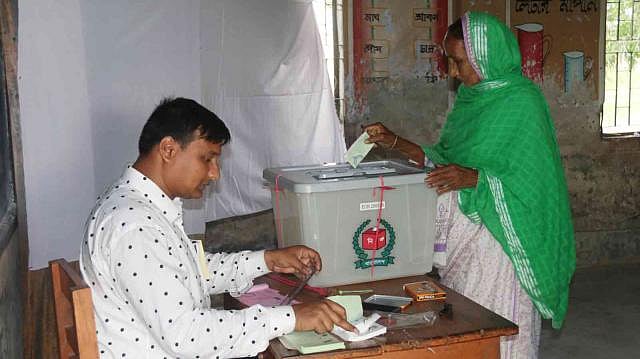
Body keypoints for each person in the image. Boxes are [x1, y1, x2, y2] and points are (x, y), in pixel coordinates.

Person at [364, 12, 575, 358]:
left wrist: (475, 178)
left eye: (459, 62)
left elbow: (535, 183)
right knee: (465, 320)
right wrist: (394, 141)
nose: (453, 72)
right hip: (467, 239)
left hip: (503, 239)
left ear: (485, 56)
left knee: (499, 323)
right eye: (449, 60)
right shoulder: (469, 100)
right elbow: (444, 159)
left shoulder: (523, 103)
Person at [80, 97, 355, 359]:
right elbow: (185, 336)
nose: (215, 173)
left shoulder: (140, 208)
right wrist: (291, 318)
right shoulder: (136, 227)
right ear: (168, 149)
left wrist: (267, 260)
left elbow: (189, 273)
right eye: (207, 158)